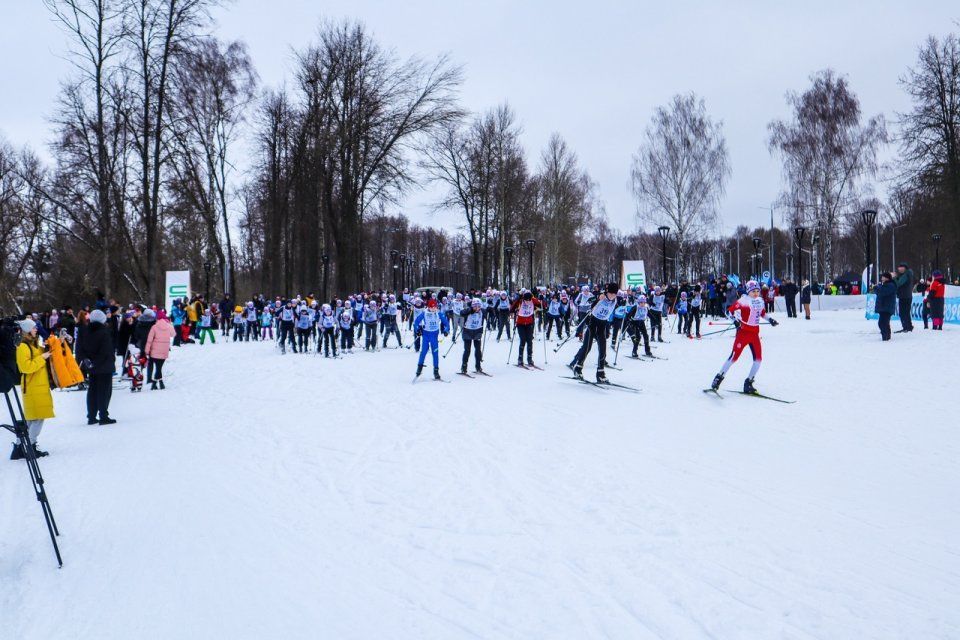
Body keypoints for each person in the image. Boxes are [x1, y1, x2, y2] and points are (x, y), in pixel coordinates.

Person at [709, 280, 779, 395]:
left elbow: (762, 313)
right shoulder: (743, 301)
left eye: (757, 291)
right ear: (748, 291)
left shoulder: (760, 301)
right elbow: (729, 312)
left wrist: (770, 319)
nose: (756, 293)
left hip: (754, 334)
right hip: (743, 333)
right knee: (733, 358)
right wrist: (735, 322)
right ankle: (718, 378)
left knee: (758, 360)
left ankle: (749, 383)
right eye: (753, 291)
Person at [11, 319, 54, 459]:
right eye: (34, 328)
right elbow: (26, 367)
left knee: (31, 418)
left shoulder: (32, 344)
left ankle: (19, 448)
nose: (36, 329)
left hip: (37, 386)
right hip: (32, 387)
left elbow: (40, 354)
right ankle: (29, 446)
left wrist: (47, 347)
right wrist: (42, 357)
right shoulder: (23, 347)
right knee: (37, 418)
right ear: (28, 330)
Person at [570, 282, 619, 383]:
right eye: (611, 294)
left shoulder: (615, 300)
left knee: (603, 350)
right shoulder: (601, 296)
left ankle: (600, 373)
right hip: (593, 324)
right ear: (607, 292)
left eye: (614, 294)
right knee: (587, 348)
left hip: (602, 326)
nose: (612, 296)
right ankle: (578, 368)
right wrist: (597, 299)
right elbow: (589, 301)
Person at [77, 309, 117, 425]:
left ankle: (91, 416)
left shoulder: (85, 331)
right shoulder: (104, 332)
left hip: (91, 366)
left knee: (93, 390)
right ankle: (103, 416)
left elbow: (80, 349)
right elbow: (106, 351)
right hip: (104, 366)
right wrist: (99, 362)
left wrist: (88, 362)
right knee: (104, 391)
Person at [414, 297, 449, 380]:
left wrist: (446, 330)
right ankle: (419, 369)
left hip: (434, 335)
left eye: (435, 307)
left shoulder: (439, 313)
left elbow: (446, 323)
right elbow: (416, 322)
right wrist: (417, 330)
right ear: (428, 307)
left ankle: (436, 371)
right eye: (431, 307)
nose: (433, 308)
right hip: (426, 335)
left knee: (435, 353)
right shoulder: (424, 313)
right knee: (423, 352)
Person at [510, 289, 542, 367]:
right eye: (526, 300)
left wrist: (541, 301)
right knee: (523, 340)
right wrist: (518, 299)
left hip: (529, 323)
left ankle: (530, 359)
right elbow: (512, 308)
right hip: (520, 324)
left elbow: (541, 305)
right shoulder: (520, 301)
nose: (528, 301)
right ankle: (520, 359)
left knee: (530, 341)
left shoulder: (533, 300)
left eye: (529, 300)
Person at [145, 310, 176, 389]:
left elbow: (149, 340)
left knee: (158, 367)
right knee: (159, 367)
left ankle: (156, 383)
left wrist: (146, 350)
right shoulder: (169, 326)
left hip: (155, 351)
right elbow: (173, 334)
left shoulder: (154, 327)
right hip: (164, 350)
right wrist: (169, 324)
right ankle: (158, 383)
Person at [459, 297, 486, 375]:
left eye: (478, 306)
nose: (477, 308)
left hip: (477, 332)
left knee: (478, 350)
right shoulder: (468, 311)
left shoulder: (482, 311)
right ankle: (464, 367)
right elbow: (461, 313)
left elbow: (489, 312)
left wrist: (491, 312)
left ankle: (478, 366)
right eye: (475, 306)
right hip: (467, 332)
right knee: (467, 350)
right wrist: (470, 310)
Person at [874, 272, 897, 341]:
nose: (882, 278)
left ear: (887, 278)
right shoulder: (885, 285)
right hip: (884, 307)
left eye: (883, 277)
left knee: (882, 323)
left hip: (887, 307)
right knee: (885, 323)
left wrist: (876, 288)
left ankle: (885, 337)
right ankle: (887, 336)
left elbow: (882, 292)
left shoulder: (890, 285)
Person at [894, 263, 915, 332]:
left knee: (903, 313)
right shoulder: (907, 274)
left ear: (905, 268)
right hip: (906, 296)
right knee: (906, 313)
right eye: (899, 268)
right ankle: (908, 326)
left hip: (904, 296)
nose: (899, 269)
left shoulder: (906, 275)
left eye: (901, 267)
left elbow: (899, 283)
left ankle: (906, 327)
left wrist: (894, 278)